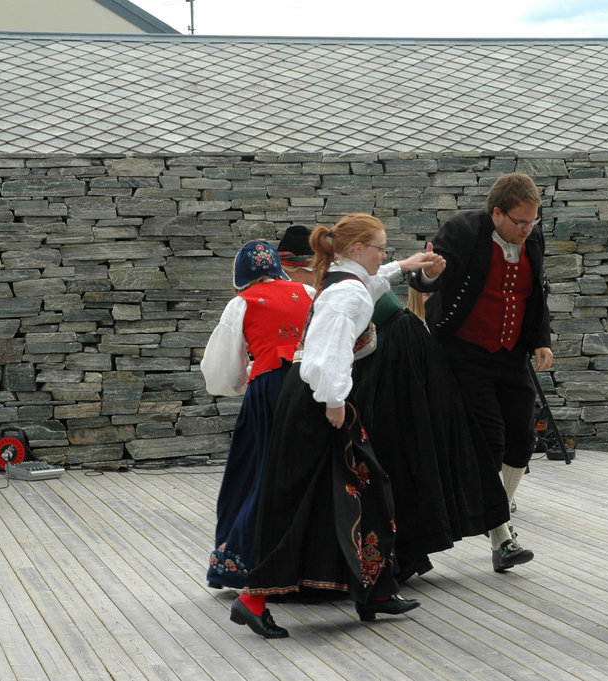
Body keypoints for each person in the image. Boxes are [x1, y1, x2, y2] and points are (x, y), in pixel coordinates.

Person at [235, 214, 443, 639]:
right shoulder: (346, 292)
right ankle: (253, 599)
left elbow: (369, 283)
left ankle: (375, 591)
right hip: (319, 400)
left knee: (363, 491)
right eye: (380, 248)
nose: (384, 254)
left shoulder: (344, 280)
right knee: (313, 501)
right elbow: (324, 353)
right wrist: (334, 401)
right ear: (355, 250)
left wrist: (404, 266)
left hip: (314, 397)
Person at [409, 172, 552, 573]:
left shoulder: (532, 239)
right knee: (490, 436)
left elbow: (535, 293)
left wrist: (541, 339)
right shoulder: (462, 231)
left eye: (533, 222)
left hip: (510, 353)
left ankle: (497, 512)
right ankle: (501, 535)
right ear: (497, 213)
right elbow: (422, 278)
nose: (528, 230)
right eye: (520, 222)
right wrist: (432, 274)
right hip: (464, 351)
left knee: (522, 437)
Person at [351, 284, 510, 583]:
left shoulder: (344, 276)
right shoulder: (344, 276)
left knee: (399, 445)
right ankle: (403, 549)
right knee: (401, 444)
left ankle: (403, 549)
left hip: (395, 352)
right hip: (392, 349)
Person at [202, 240, 314, 591]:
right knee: (318, 471)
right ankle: (321, 565)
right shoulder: (309, 291)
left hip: (271, 389)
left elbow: (221, 374)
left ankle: (246, 563)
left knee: (256, 473)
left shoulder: (242, 304)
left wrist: (250, 376)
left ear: (242, 277)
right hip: (315, 385)